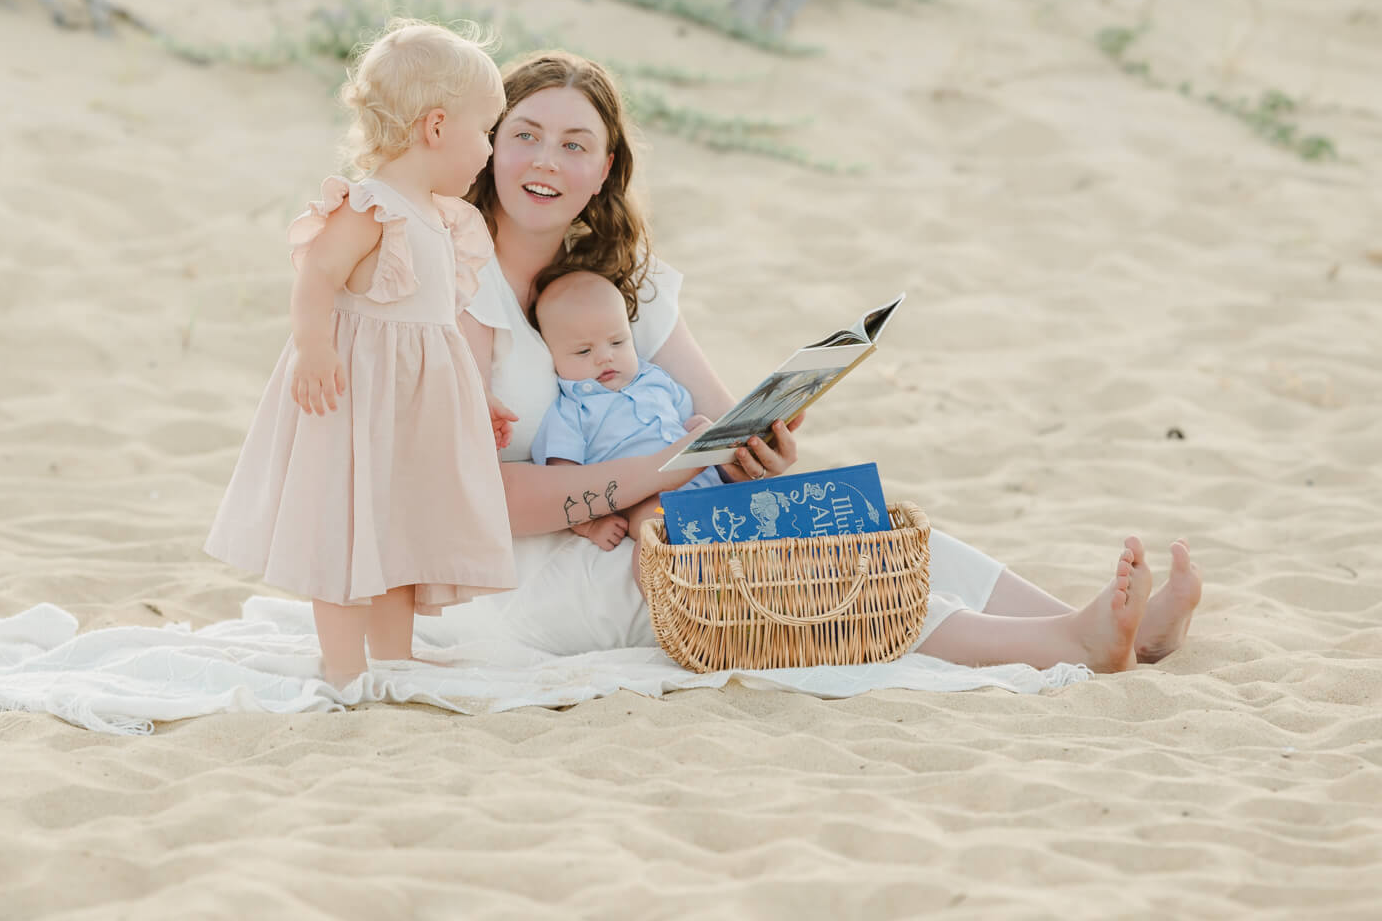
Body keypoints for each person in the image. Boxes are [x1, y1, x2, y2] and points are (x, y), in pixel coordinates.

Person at [454, 51, 1203, 674]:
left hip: (658, 511)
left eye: (575, 143)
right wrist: (667, 469)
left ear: (604, 166)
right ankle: (1060, 644)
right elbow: (475, 492)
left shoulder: (621, 283)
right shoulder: (461, 282)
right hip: (534, 567)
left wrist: (760, 447)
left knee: (855, 522)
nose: (547, 160)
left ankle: (1106, 626)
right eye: (526, 134)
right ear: (490, 146)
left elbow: (716, 413)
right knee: (806, 566)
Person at [204, 20, 519, 686]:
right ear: (436, 127)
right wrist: (313, 347)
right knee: (346, 528)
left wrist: (478, 394)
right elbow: (316, 274)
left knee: (400, 524)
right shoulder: (374, 207)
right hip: (357, 396)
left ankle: (394, 657)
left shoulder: (439, 216)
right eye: (484, 131)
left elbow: (436, 318)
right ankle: (344, 666)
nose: (489, 150)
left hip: (414, 407)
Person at [528, 268, 717, 550]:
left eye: (617, 342)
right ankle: (676, 588)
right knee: (656, 533)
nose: (605, 357)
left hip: (706, 481)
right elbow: (564, 488)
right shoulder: (572, 412)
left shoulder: (655, 379)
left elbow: (685, 419)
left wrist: (696, 426)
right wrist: (590, 524)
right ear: (552, 356)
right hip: (645, 499)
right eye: (583, 351)